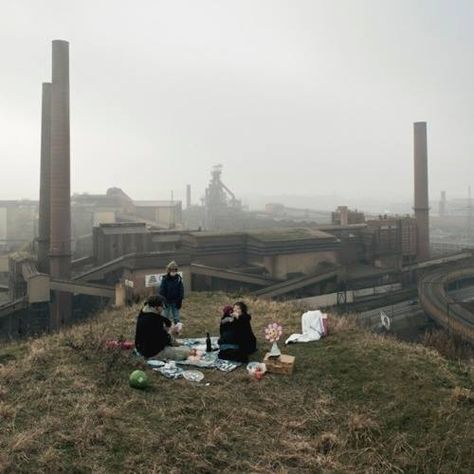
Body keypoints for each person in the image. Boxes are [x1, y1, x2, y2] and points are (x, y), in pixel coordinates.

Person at [134, 295, 190, 360]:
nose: (163, 308)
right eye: (162, 306)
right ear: (156, 307)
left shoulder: (144, 313)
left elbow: (163, 320)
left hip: (141, 349)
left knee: (181, 348)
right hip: (153, 353)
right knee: (188, 351)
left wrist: (169, 324)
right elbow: (164, 340)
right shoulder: (154, 321)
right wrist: (171, 333)